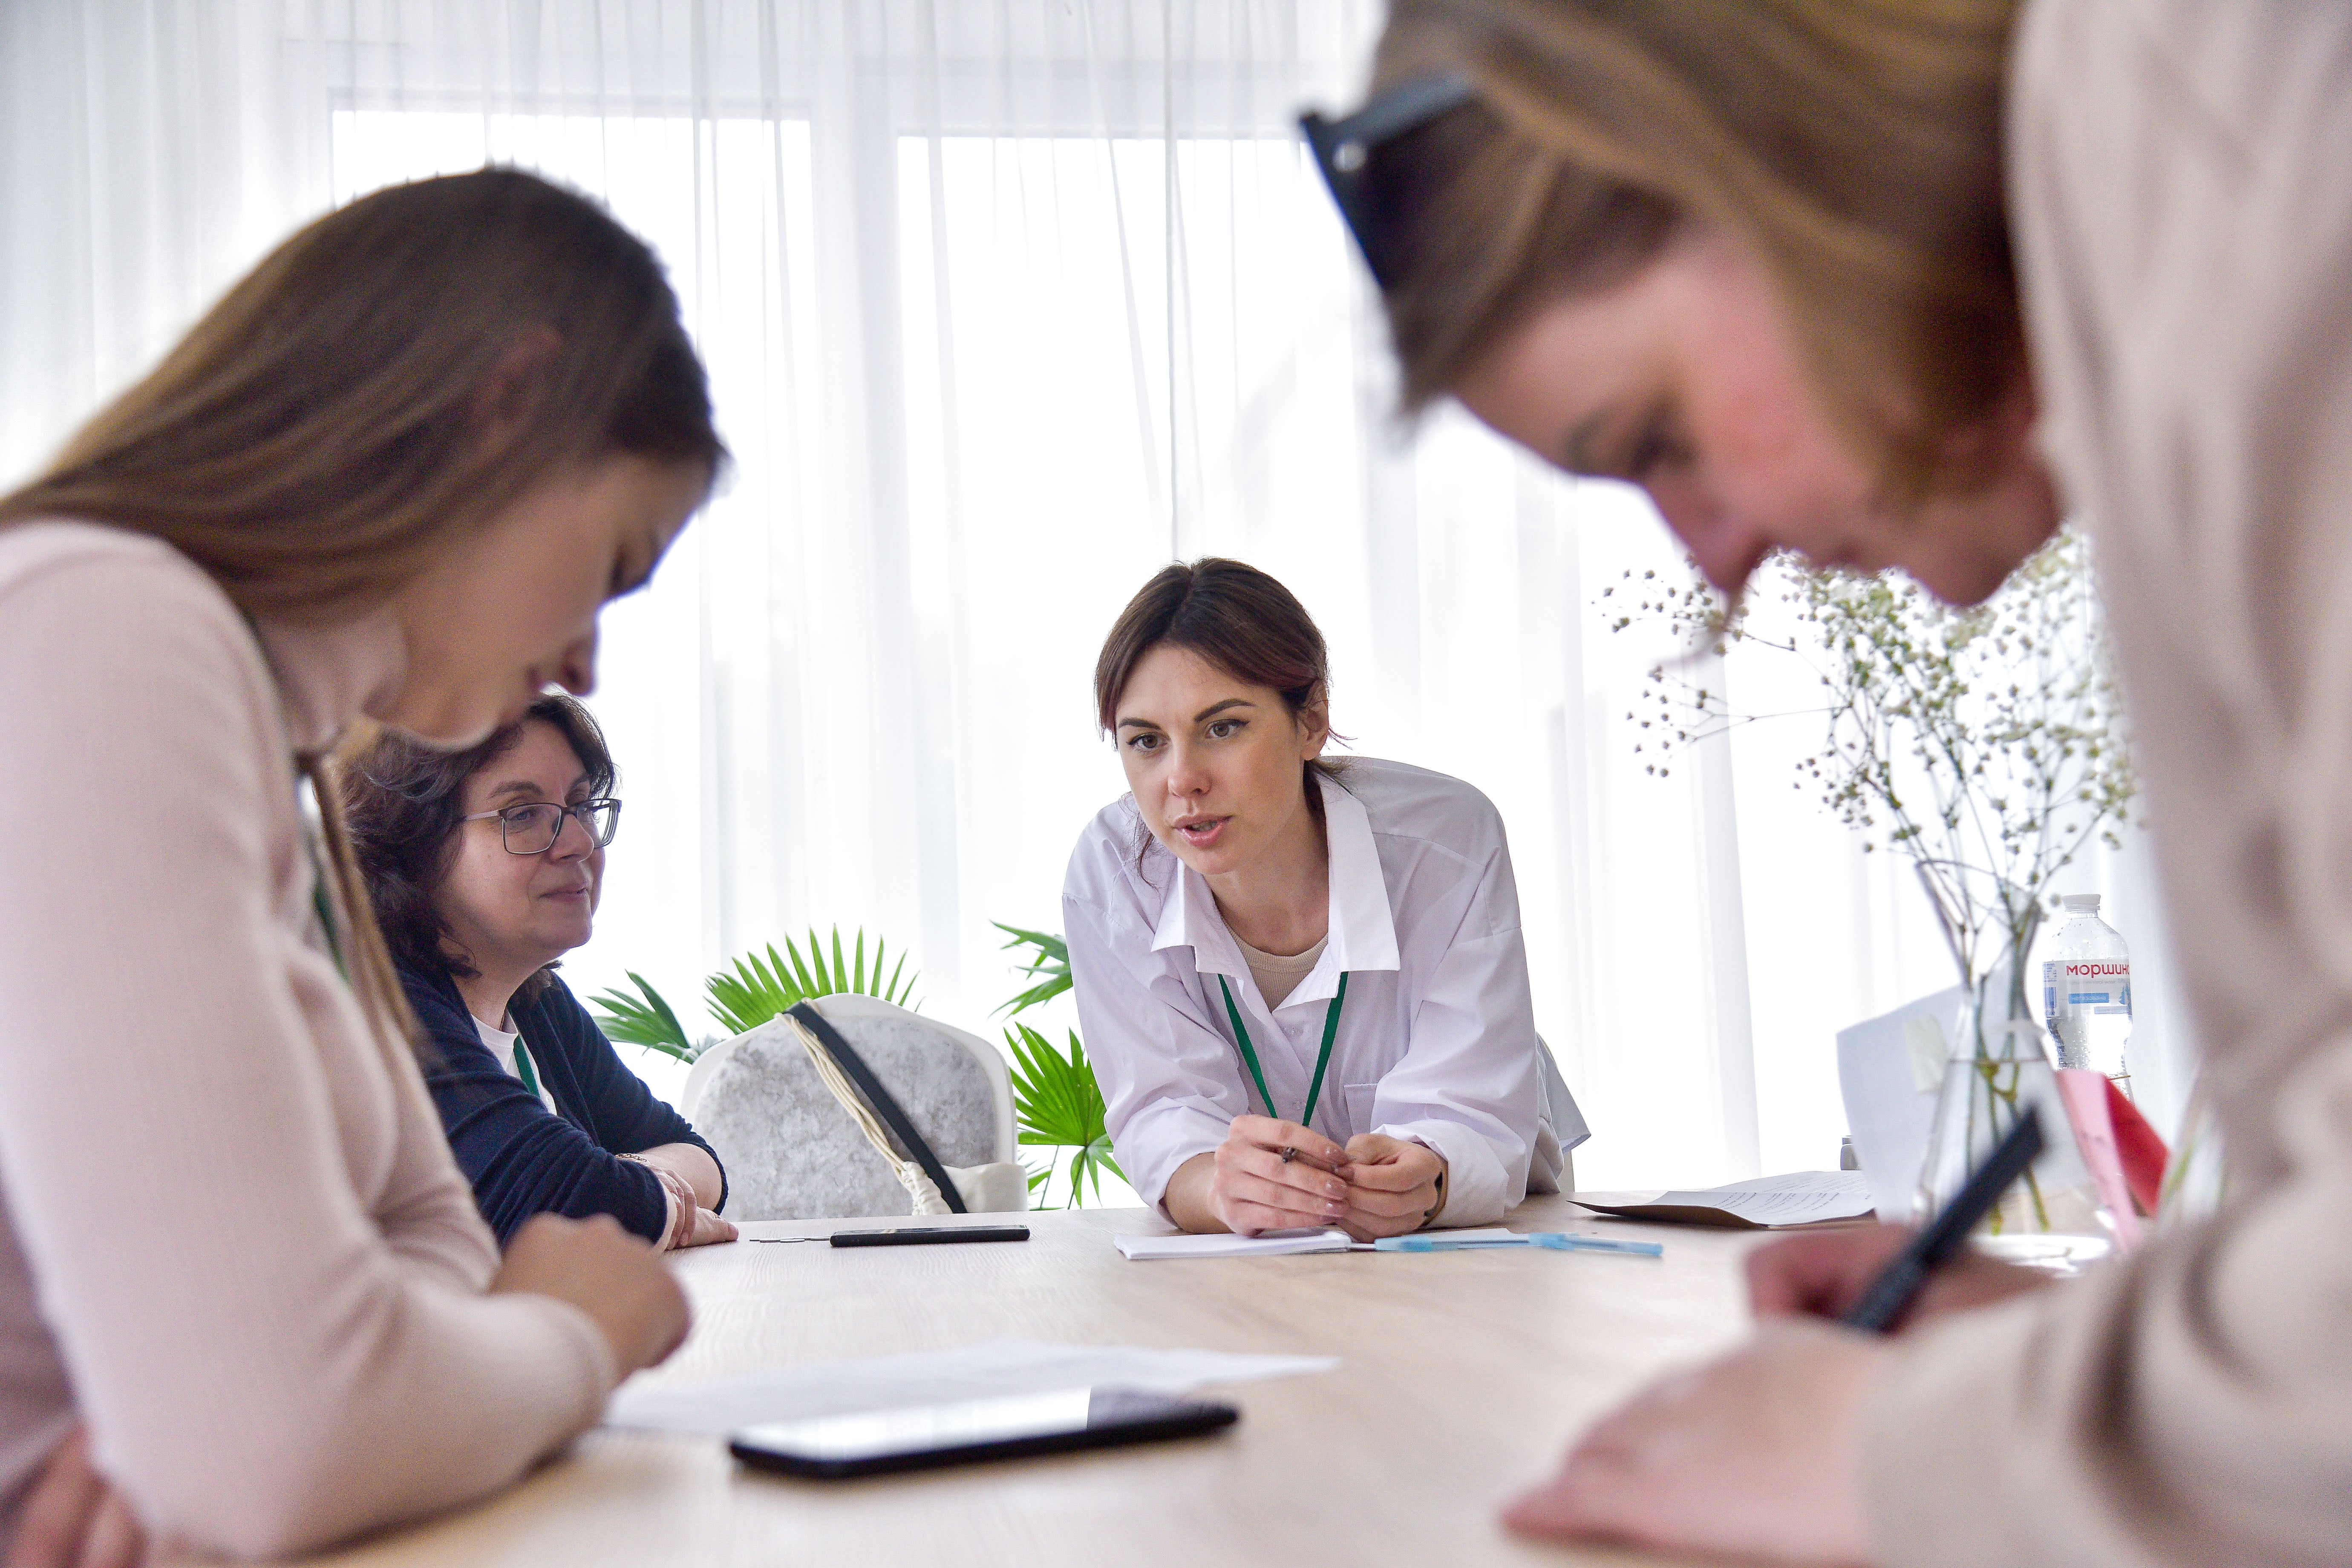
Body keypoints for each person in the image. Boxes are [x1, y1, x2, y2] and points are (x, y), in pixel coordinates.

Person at [1314, 2, 2352, 1564]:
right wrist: (2080, 1381)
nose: (1714, 561)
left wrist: (1929, 1452)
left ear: (1774, 152)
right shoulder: (2144, 240)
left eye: (1658, 437)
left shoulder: (2225, 119)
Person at [0, 168, 723, 1562]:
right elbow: (287, 1440)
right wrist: (576, 1331)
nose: (585, 662)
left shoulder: (292, 774)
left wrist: (375, 1372)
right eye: (614, 567)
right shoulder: (109, 633)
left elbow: (424, 1234)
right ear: (504, 405)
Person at [1062, 558, 1586, 1240]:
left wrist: (1425, 1179)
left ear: (1311, 721)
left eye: (1223, 728)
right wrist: (1224, 1194)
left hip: (1464, 1235)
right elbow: (1163, 1116)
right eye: (1145, 742)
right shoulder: (1113, 873)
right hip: (1248, 1256)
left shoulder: (1447, 843)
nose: (1182, 780)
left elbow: (1472, 1109)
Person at [343, 694, 735, 1252]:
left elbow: (700, 1162)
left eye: (581, 806)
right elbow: (556, 1201)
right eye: (522, 815)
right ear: (414, 844)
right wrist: (624, 1190)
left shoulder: (535, 1002)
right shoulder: (382, 999)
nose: (578, 842)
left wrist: (625, 1184)